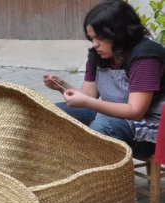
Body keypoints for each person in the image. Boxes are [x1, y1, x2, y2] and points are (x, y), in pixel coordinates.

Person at [43, 0, 165, 159]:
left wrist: (86, 102)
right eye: (91, 38)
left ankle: (99, 178)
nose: (95, 44)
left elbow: (135, 111)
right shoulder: (98, 54)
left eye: (99, 38)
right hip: (113, 116)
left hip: (149, 128)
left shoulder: (145, 55)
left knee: (102, 127)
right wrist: (61, 86)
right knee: (52, 113)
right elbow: (89, 94)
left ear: (119, 33)